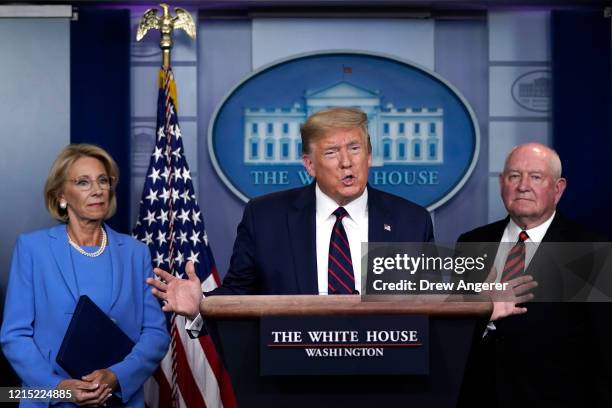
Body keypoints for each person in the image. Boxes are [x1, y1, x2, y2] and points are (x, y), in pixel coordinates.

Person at [148, 107, 434, 321]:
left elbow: (428, 306)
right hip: (292, 376)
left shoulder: (411, 220)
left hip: (386, 377)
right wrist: (202, 304)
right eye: (332, 152)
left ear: (369, 156)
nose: (347, 162)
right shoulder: (265, 218)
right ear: (309, 164)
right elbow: (239, 294)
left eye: (355, 149)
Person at [0, 144, 169, 407]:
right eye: (83, 182)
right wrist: (59, 389)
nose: (97, 190)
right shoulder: (32, 249)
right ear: (61, 195)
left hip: (118, 399)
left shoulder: (136, 253)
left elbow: (156, 334)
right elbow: (14, 336)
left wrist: (117, 376)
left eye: (103, 180)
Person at [457, 143, 611, 407]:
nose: (522, 186)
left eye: (536, 177)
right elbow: (456, 335)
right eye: (514, 176)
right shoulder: (472, 242)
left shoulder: (591, 251)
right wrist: (483, 312)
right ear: (501, 183)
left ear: (558, 189)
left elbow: (605, 352)